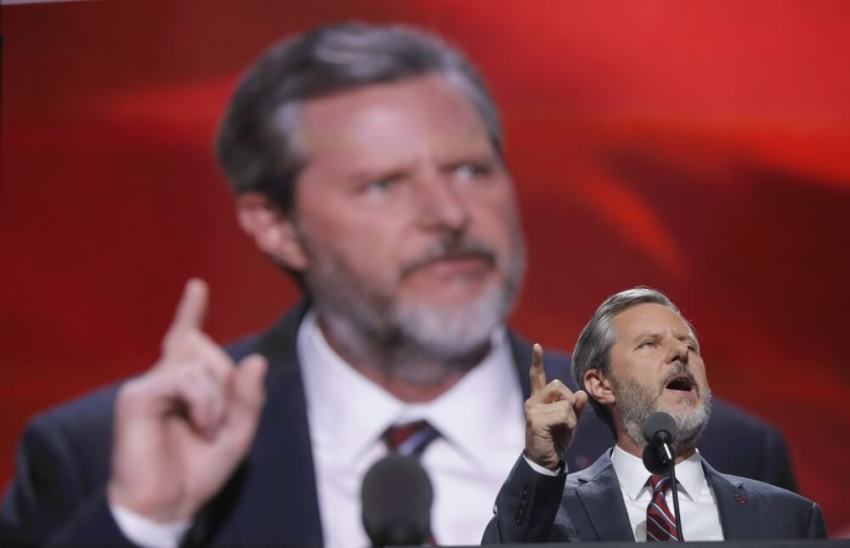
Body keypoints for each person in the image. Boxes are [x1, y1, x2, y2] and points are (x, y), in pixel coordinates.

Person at [1, 23, 796, 547]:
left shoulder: (718, 449)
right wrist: (143, 523)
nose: (451, 213)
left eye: (469, 169)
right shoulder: (102, 462)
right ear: (274, 225)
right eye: (384, 184)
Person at [483, 287, 827, 543]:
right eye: (649, 343)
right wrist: (539, 465)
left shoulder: (789, 518)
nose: (680, 352)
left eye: (690, 346)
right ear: (601, 384)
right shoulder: (554, 512)